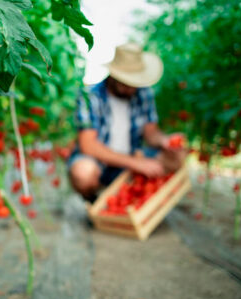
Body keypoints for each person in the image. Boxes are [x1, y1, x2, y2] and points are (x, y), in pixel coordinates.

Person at [68, 43, 186, 202]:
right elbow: (88, 145)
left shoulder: (143, 93)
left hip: (132, 158)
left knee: (178, 156)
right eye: (126, 83)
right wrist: (136, 163)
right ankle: (95, 201)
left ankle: (139, 196)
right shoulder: (90, 96)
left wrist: (164, 140)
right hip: (101, 163)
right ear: (114, 76)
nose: (131, 89)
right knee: (83, 172)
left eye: (134, 83)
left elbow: (151, 133)